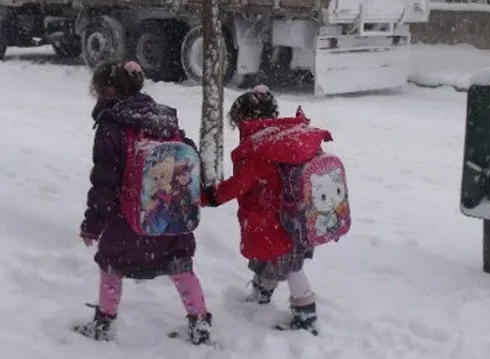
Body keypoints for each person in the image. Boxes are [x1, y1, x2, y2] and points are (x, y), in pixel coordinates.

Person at [76, 61, 212, 345]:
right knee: (181, 265)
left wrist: (93, 223)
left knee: (111, 264)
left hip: (127, 218)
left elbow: (104, 181)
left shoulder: (112, 124)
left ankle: (104, 323)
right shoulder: (163, 118)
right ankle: (200, 324)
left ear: (107, 89)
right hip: (171, 215)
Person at [201, 85, 333, 334]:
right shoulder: (291, 135)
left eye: (238, 121)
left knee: (286, 265)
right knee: (281, 262)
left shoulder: (259, 150)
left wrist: (207, 197)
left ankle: (305, 313)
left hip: (272, 221)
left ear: (246, 120)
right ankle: (263, 296)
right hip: (299, 218)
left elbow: (236, 186)